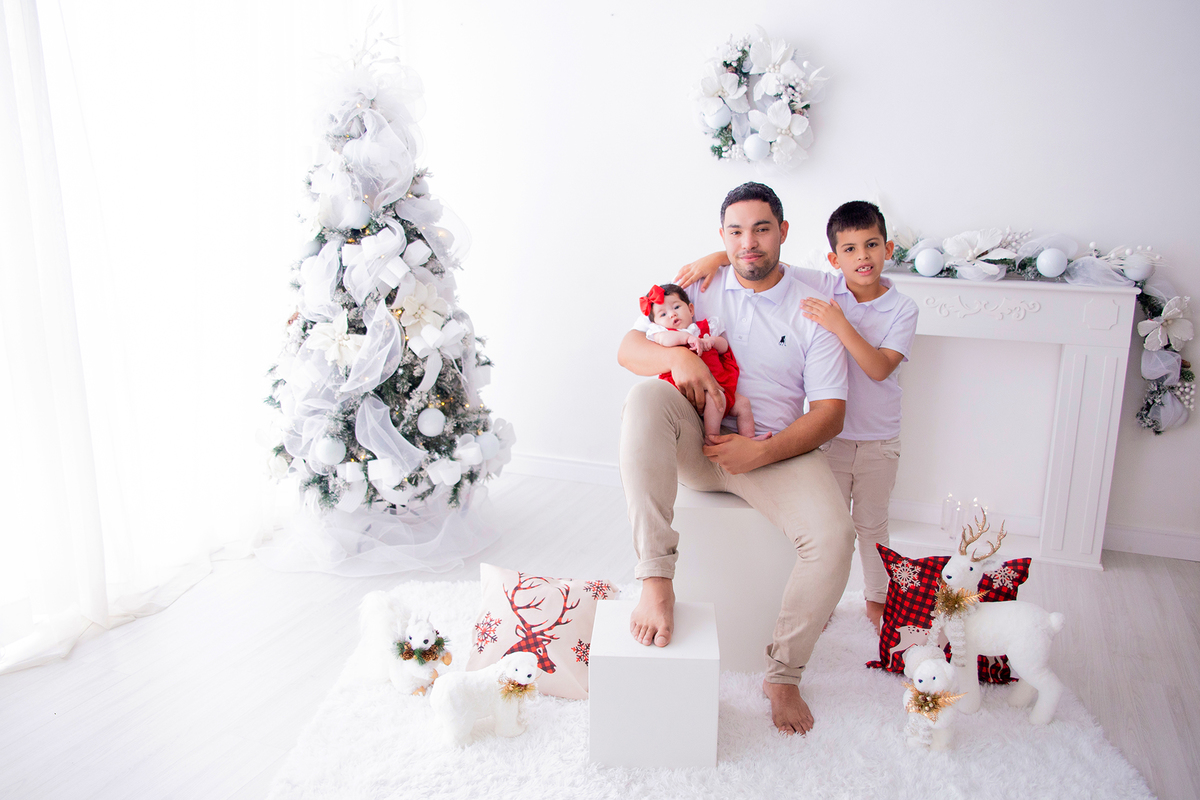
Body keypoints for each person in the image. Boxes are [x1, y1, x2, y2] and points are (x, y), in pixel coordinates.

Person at [617, 182, 855, 735]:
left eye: (761, 229)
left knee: (834, 539)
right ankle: (656, 581)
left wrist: (763, 449)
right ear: (722, 237)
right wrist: (681, 360)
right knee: (645, 396)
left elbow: (830, 414)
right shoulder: (699, 285)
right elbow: (629, 348)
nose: (749, 243)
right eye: (735, 232)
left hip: (774, 450)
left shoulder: (813, 305)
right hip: (696, 439)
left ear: (784, 232)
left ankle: (783, 674)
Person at [675, 200, 919, 631]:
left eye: (872, 246)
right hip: (832, 440)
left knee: (872, 523)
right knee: (827, 522)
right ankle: (822, 600)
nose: (861, 257)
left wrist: (840, 324)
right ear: (834, 257)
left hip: (879, 438)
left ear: (889, 249)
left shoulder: (901, 308)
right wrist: (718, 257)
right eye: (849, 249)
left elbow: (879, 367)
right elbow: (764, 264)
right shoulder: (828, 285)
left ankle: (879, 599)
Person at [640, 282, 756, 442]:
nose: (672, 315)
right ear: (656, 324)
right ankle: (712, 438)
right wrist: (687, 338)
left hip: (718, 385)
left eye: (676, 307)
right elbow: (666, 340)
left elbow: (724, 347)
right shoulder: (662, 333)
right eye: (663, 314)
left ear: (691, 309)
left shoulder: (707, 327)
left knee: (743, 403)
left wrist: (712, 341)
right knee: (715, 399)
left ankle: (749, 439)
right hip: (685, 392)